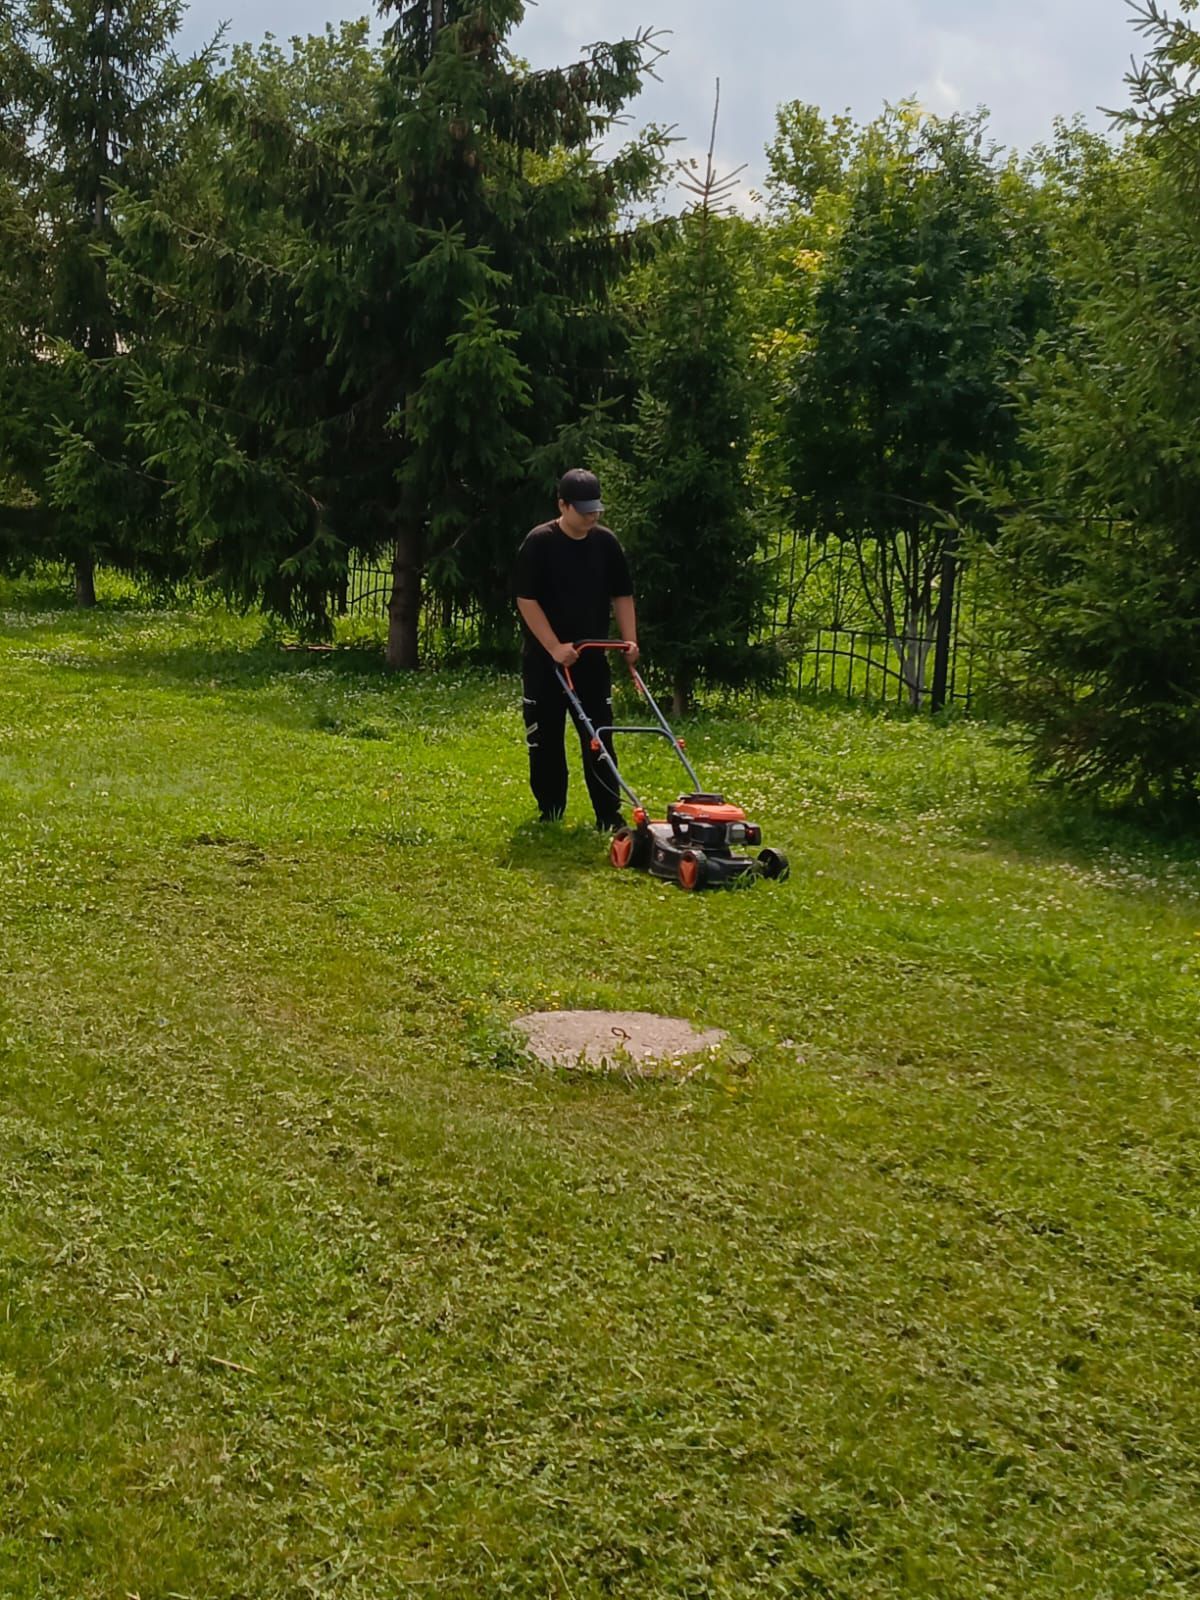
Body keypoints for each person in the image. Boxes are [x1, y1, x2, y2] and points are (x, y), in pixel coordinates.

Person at [515, 468, 640, 828]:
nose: (592, 516)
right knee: (546, 738)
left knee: (599, 737)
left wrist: (630, 640)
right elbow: (526, 599)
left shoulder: (606, 543)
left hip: (591, 658)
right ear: (562, 505)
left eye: (595, 509)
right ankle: (550, 809)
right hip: (546, 662)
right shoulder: (539, 543)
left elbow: (622, 594)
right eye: (583, 510)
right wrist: (554, 646)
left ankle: (608, 814)